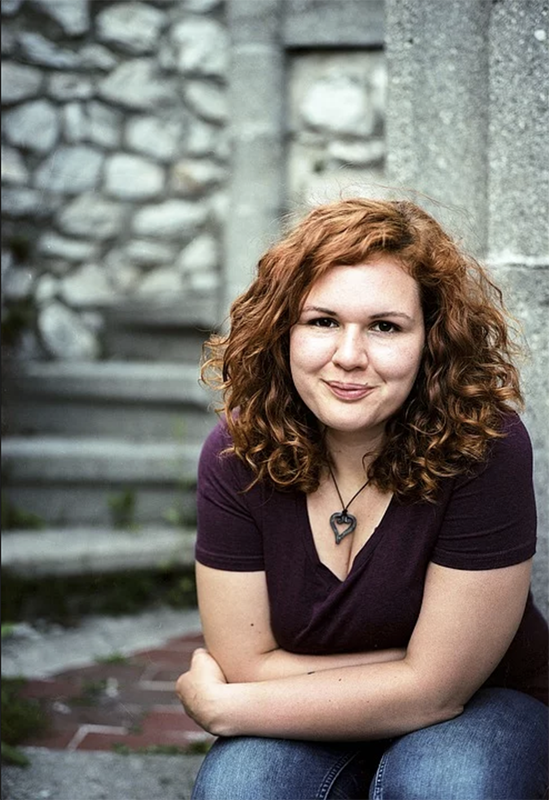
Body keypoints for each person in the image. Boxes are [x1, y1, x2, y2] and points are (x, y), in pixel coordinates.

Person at [176, 198, 549, 799]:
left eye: (385, 327)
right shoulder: (238, 451)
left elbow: (441, 693)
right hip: (301, 710)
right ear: (282, 332)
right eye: (322, 321)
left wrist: (227, 709)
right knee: (240, 789)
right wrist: (412, 671)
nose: (349, 356)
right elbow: (245, 662)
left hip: (485, 704)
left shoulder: (484, 447)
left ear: (431, 341)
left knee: (446, 786)